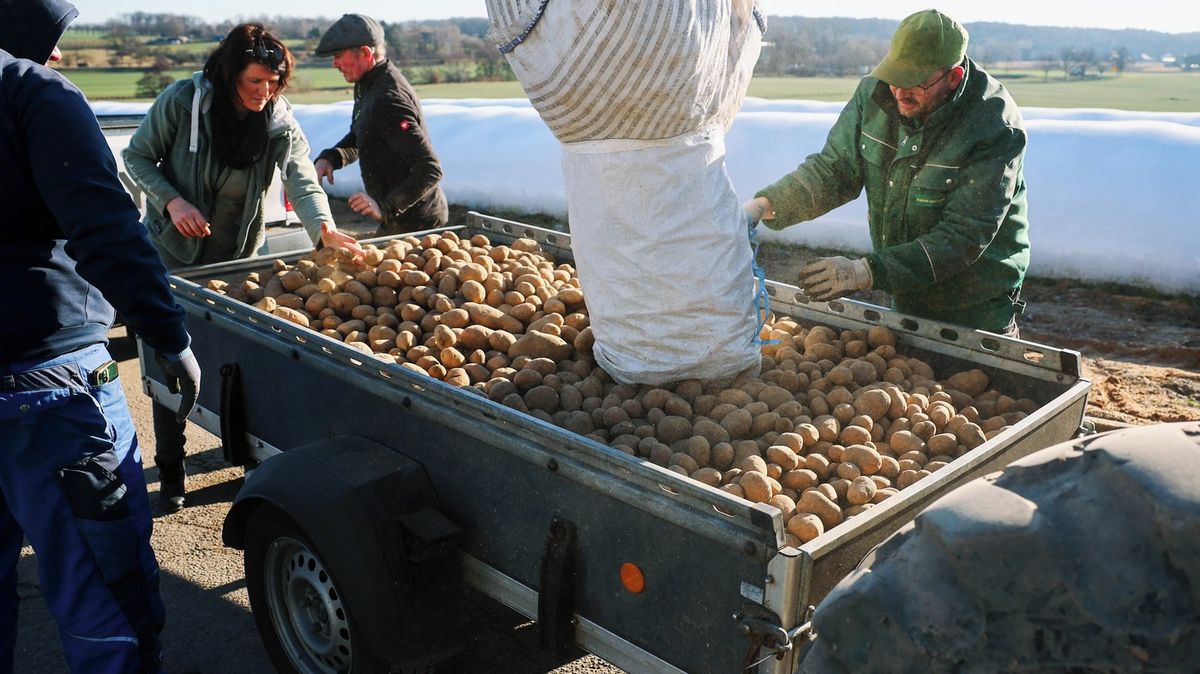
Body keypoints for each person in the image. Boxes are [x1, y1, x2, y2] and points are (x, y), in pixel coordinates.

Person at [0, 0, 201, 670]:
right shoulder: (31, 93)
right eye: (48, 36)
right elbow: (108, 231)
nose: (56, 53)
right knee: (106, 605)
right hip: (48, 389)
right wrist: (167, 336)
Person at [123, 22, 362, 512]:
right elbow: (137, 157)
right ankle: (171, 469)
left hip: (237, 260)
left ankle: (253, 465)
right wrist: (173, 203)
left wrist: (324, 229)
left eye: (274, 83)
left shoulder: (277, 118)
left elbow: (301, 177)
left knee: (240, 362)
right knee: (171, 360)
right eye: (255, 81)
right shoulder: (185, 102)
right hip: (174, 258)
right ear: (231, 72)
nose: (264, 92)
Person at [744, 9, 1030, 336]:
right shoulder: (875, 95)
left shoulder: (994, 127)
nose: (900, 92)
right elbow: (833, 171)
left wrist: (866, 272)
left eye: (916, 84)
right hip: (906, 286)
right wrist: (763, 206)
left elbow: (964, 235)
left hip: (974, 300)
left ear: (953, 77)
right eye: (896, 77)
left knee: (970, 377)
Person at [313, 13, 450, 235]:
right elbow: (364, 134)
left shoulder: (388, 98)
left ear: (366, 53)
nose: (334, 64)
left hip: (418, 225)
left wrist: (386, 207)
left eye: (338, 55)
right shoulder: (369, 84)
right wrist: (331, 158)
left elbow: (430, 168)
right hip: (398, 219)